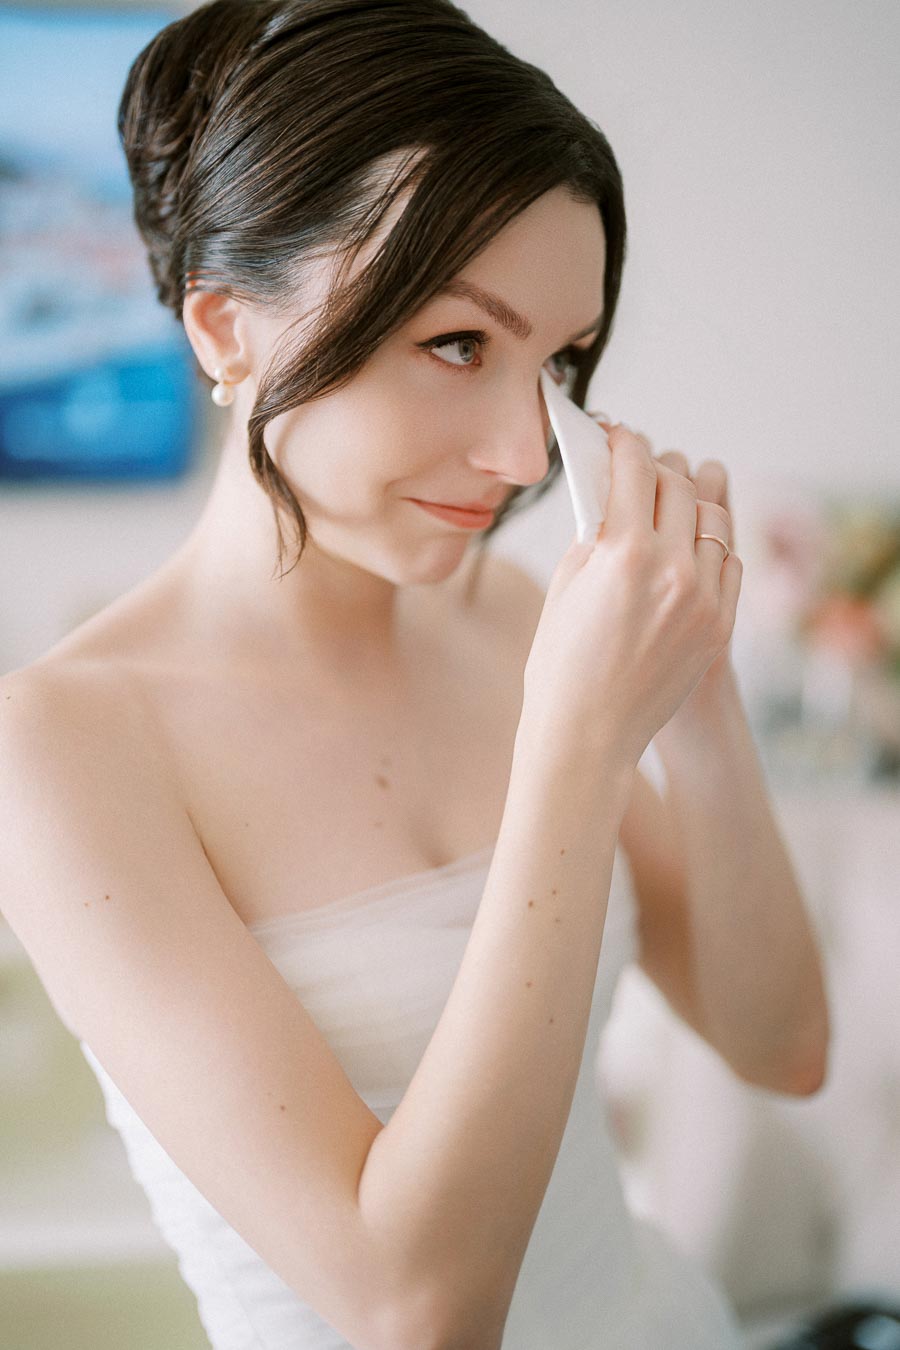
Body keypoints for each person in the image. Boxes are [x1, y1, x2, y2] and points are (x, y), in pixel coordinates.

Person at [0, 1, 831, 1346]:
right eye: (457, 342)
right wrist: (572, 746)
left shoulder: (513, 618)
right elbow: (420, 1308)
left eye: (560, 358)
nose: (521, 453)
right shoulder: (62, 744)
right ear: (225, 330)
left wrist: (699, 691)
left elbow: (782, 1041)